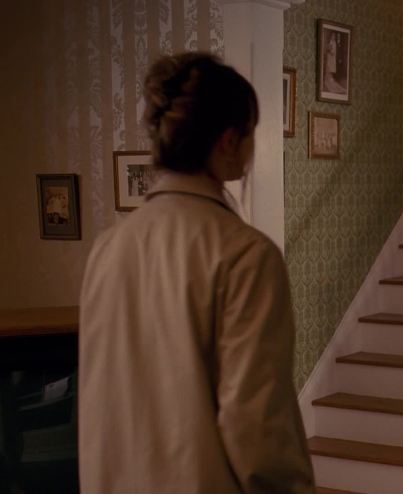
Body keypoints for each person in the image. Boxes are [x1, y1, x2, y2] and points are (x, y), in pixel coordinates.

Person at [78, 52, 314, 494]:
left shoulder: (107, 249)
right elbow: (257, 426)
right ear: (229, 141)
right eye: (251, 134)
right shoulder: (247, 255)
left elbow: (97, 403)